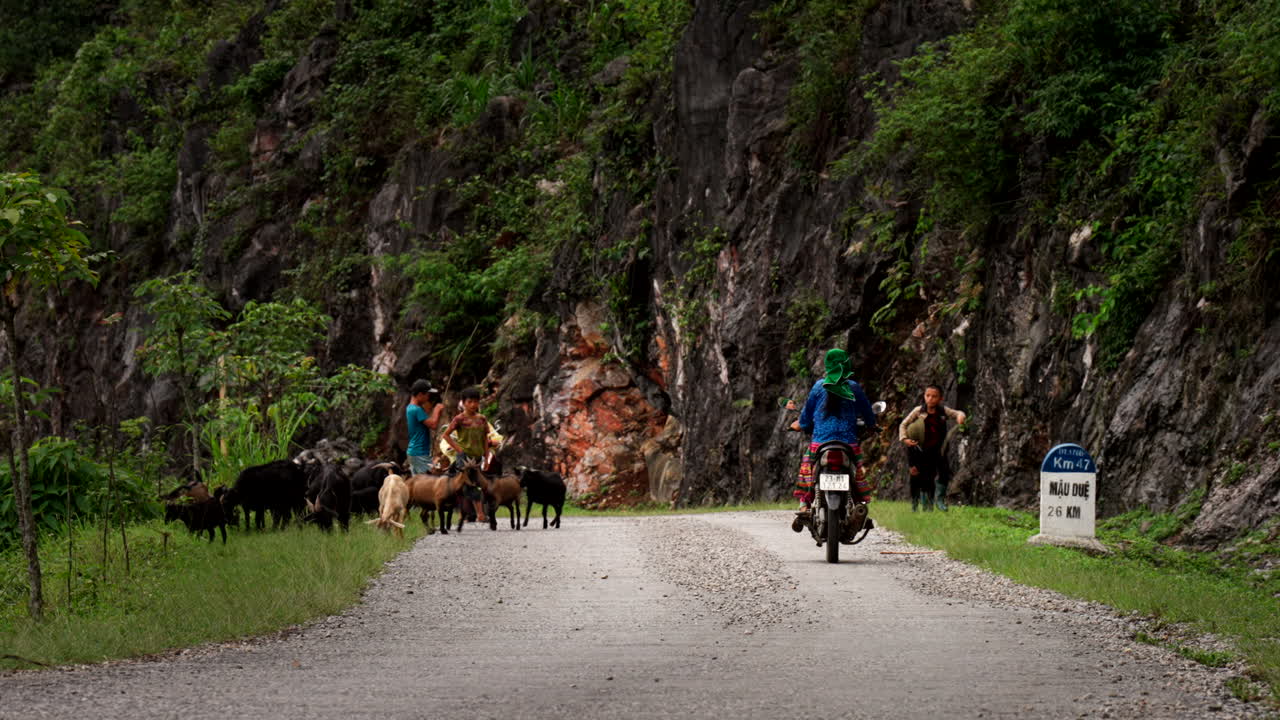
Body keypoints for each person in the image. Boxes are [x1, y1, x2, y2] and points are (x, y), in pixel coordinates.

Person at [790, 348, 879, 523]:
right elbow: (868, 413)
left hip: (820, 443)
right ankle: (860, 503)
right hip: (848, 443)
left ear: (827, 366)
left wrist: (799, 425)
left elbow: (806, 417)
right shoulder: (853, 387)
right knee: (856, 473)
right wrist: (872, 426)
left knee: (807, 468)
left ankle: (803, 506)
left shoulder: (818, 387)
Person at [898, 384, 966, 511]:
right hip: (923, 450)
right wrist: (905, 438)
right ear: (924, 396)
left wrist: (960, 416)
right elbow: (903, 424)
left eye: (934, 396)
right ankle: (926, 505)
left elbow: (958, 413)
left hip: (940, 449)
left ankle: (940, 499)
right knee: (927, 477)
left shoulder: (943, 411)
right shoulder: (918, 411)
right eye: (928, 395)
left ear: (940, 398)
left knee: (944, 473)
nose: (930, 399)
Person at [442, 386, 490, 523]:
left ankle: (471, 514)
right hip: (464, 458)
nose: (473, 405)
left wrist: (486, 458)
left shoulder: (482, 419)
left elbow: (485, 440)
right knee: (468, 485)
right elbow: (446, 435)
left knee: (477, 484)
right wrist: (459, 450)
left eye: (476, 402)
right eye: (470, 402)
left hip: (476, 459)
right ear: (463, 403)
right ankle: (478, 514)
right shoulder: (459, 419)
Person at [405, 379, 444, 476]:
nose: (428, 397)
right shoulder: (416, 409)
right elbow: (433, 425)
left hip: (415, 452)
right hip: (419, 452)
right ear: (420, 395)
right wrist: (437, 410)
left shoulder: (410, 407)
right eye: (427, 394)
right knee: (427, 482)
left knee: (418, 482)